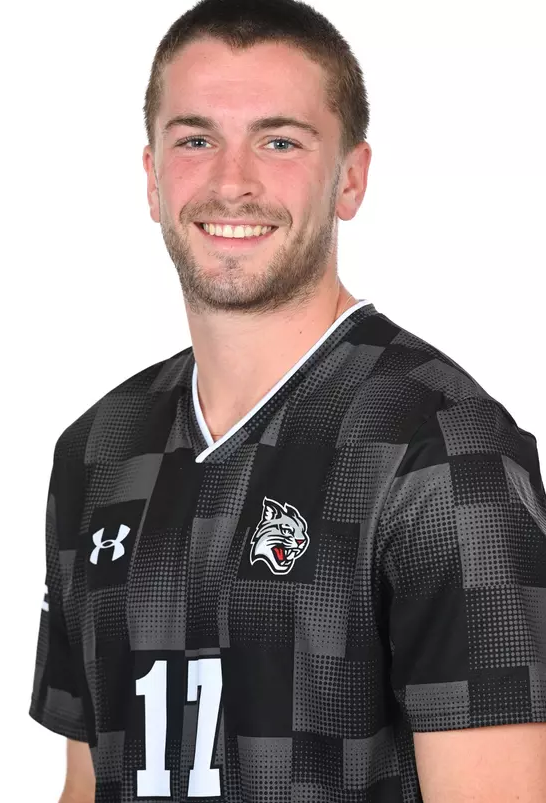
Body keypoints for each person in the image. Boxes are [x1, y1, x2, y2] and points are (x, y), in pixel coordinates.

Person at [29, 1, 546, 800]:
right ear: (152, 179)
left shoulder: (446, 452)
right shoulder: (97, 449)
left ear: (350, 178)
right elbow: (84, 782)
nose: (232, 182)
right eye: (196, 139)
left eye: (279, 142)